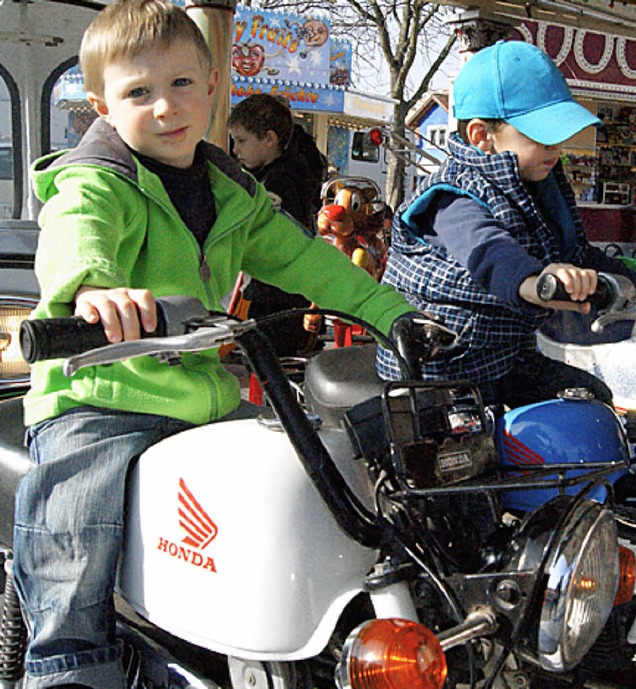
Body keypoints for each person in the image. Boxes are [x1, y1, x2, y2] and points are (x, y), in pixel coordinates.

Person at [13, 2, 417, 688]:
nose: (165, 107)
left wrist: (396, 315)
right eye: (139, 92)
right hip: (100, 395)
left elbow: (309, 262)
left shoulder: (233, 192)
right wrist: (95, 291)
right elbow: (79, 231)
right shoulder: (98, 178)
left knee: (298, 479)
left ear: (210, 88)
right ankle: (67, 668)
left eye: (181, 85)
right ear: (102, 104)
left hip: (200, 398)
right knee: (71, 538)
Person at [377, 40, 636, 409]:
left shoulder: (536, 183)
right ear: (481, 136)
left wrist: (629, 283)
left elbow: (575, 253)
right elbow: (491, 255)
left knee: (592, 404)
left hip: (505, 358)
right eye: (540, 135)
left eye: (558, 135)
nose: (556, 147)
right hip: (439, 372)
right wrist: (537, 282)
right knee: (466, 457)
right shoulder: (452, 198)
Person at [227, 93, 319, 355]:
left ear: (270, 139)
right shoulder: (283, 173)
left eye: (242, 141)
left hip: (279, 292)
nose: (236, 150)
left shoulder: (283, 181)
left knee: (269, 361)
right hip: (279, 289)